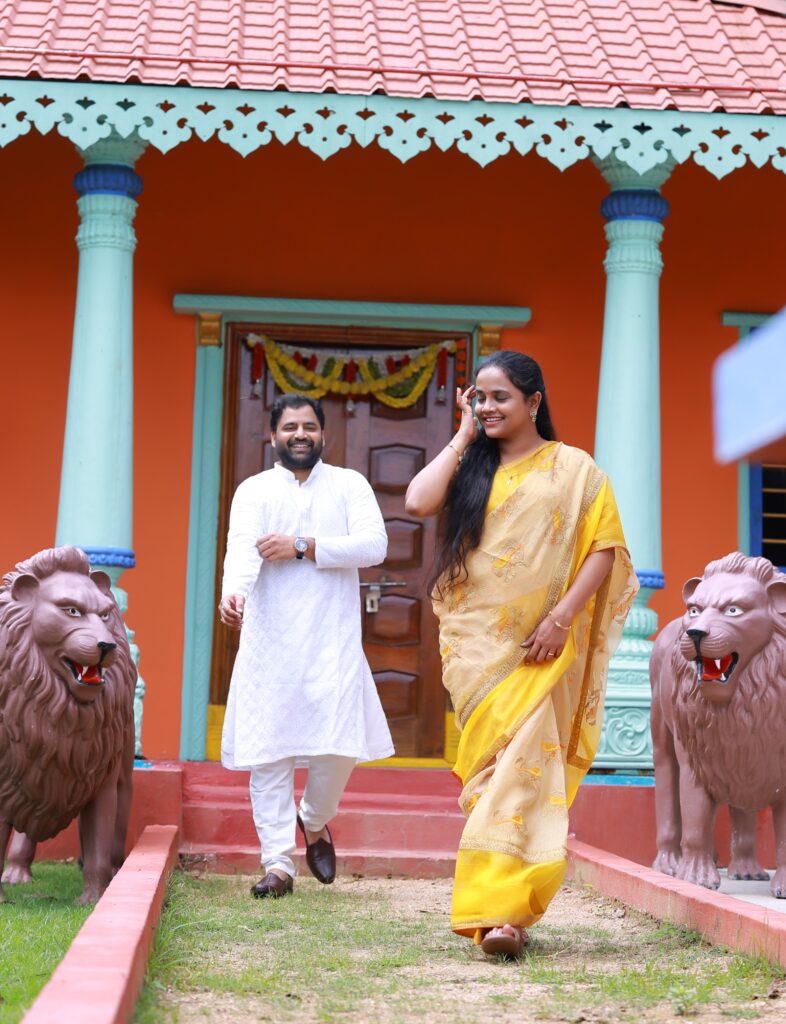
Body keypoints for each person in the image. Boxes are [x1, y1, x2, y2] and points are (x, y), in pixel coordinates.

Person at [405, 351, 637, 958]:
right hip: (476, 647)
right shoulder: (471, 464)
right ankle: (505, 907)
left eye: (500, 397)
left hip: (542, 646)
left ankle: (504, 915)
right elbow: (416, 502)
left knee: (525, 764)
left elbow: (603, 551)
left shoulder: (575, 470)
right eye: (478, 398)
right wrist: (461, 435)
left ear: (535, 400)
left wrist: (561, 620)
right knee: (491, 772)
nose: (487, 407)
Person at [219, 393, 394, 898]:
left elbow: (374, 546)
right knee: (267, 751)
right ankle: (277, 865)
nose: (301, 434)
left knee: (338, 745)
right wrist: (234, 596)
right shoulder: (253, 490)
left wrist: (305, 546)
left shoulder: (348, 485)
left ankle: (313, 819)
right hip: (269, 638)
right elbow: (239, 551)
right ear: (273, 436)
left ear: (323, 435)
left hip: (331, 637)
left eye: (310, 427)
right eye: (291, 426)